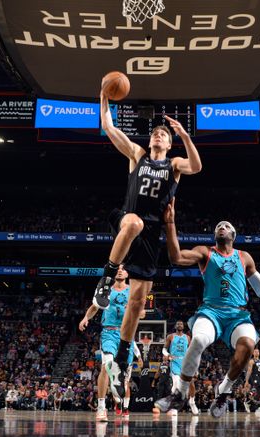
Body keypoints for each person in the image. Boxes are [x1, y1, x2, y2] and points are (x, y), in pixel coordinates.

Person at [91, 86, 202, 401]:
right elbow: (110, 128)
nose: (157, 135)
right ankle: (107, 277)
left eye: (163, 135)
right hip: (129, 220)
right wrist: (103, 97)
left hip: (153, 237)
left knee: (137, 303)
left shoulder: (175, 166)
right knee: (133, 221)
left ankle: (123, 358)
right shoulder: (137, 155)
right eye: (155, 132)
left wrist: (184, 135)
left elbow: (197, 166)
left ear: (169, 143)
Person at [154, 199, 260, 418]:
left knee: (248, 344)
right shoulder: (205, 252)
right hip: (211, 311)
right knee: (199, 340)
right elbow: (176, 257)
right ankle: (179, 393)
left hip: (238, 314)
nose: (222, 227)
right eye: (219, 226)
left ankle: (223, 391)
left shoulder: (244, 257)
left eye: (226, 225)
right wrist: (170, 224)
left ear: (233, 235)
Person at [79, 264, 144, 420]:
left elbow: (142, 313)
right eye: (117, 268)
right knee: (106, 365)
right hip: (109, 332)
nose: (120, 270)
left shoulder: (133, 290)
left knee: (124, 378)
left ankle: (119, 397)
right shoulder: (106, 289)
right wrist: (86, 318)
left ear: (128, 273)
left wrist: (134, 309)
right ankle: (101, 408)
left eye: (123, 268)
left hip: (127, 334)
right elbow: (95, 306)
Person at [164, 321, 198, 414]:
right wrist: (168, 355)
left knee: (191, 383)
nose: (179, 325)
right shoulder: (170, 336)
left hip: (185, 362)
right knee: (175, 383)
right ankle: (174, 407)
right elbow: (164, 349)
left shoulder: (187, 337)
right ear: (175, 326)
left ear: (183, 326)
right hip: (175, 362)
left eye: (181, 324)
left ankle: (192, 402)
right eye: (178, 324)